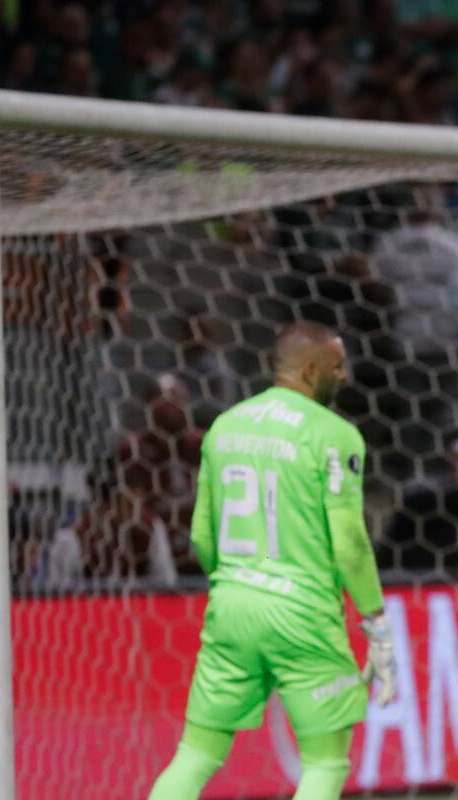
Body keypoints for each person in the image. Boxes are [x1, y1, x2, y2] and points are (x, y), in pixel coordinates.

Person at [147, 321, 395, 800]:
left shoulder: (224, 426)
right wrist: (376, 623)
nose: (344, 376)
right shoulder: (334, 434)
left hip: (232, 606)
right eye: (337, 366)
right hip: (301, 612)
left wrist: (236, 581)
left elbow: (201, 533)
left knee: (196, 755)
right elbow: (350, 541)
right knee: (325, 762)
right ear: (308, 370)